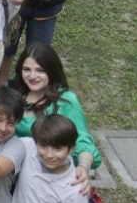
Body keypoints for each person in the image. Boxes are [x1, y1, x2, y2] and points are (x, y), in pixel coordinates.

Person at [13, 43, 102, 183]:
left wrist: (84, 166)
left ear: (52, 71)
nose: (32, 76)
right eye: (26, 69)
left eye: (40, 70)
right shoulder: (14, 92)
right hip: (11, 171)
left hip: (49, 177)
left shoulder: (66, 102)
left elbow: (84, 143)